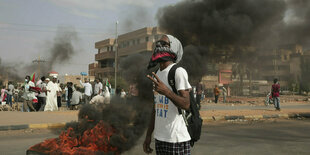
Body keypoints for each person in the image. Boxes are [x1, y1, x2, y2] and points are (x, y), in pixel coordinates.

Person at [144, 34, 191, 154]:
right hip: (160, 138)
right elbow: (156, 108)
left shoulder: (178, 72)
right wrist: (148, 135)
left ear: (173, 48)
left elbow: (186, 104)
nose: (159, 46)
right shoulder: (157, 73)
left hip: (176, 139)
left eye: (164, 44)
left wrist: (166, 92)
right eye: (158, 44)